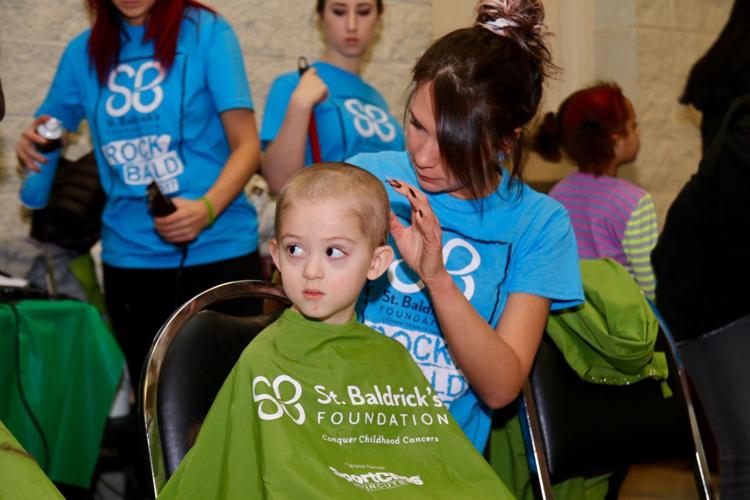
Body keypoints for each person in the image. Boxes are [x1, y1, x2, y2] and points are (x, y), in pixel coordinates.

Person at [157, 163, 515, 499]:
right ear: (276, 257)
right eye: (295, 249)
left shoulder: (392, 358)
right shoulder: (264, 361)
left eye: (334, 252)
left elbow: (439, 469)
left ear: (376, 263)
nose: (312, 270)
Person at [349, 0, 582, 464]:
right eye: (416, 125)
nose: (424, 157)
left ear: (504, 142)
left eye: (453, 143)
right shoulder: (364, 179)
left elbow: (500, 388)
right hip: (339, 437)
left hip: (439, 463)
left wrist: (437, 277)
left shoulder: (540, 224)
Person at [15, 0, 263, 386]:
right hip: (130, 260)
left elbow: (247, 145)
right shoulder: (83, 52)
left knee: (231, 402)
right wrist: (31, 142)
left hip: (221, 249)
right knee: (151, 411)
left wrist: (206, 208)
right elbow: (48, 127)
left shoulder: (207, 32)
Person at [652, 1, 750, 496]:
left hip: (717, 275)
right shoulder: (743, 110)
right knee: (746, 451)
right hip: (713, 290)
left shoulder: (727, 80)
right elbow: (736, 218)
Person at [260, 0, 404, 194]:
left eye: (363, 12)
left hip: (382, 218)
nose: (351, 25)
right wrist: (300, 104)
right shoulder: (293, 85)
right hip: (327, 217)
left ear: (378, 19)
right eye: (339, 12)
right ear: (321, 17)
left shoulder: (376, 97)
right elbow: (280, 183)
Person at [533, 82, 658, 299]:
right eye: (634, 125)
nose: (639, 131)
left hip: (578, 321)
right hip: (624, 324)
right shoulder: (635, 202)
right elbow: (652, 285)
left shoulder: (558, 194)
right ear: (616, 141)